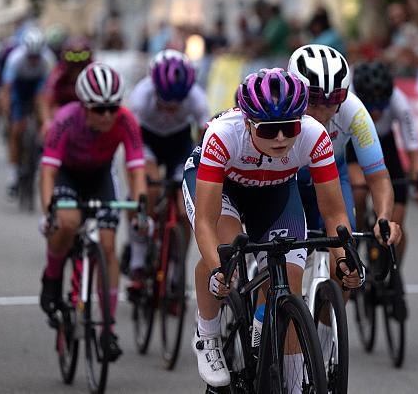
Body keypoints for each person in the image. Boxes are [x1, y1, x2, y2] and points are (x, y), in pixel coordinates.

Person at [183, 68, 375, 388]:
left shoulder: (314, 135)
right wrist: (220, 269)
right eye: (270, 131)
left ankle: (287, 369)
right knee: (226, 250)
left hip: (274, 193)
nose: (282, 138)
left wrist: (343, 258)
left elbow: (334, 211)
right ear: (247, 123)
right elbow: (205, 220)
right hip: (225, 192)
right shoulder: (222, 134)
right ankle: (208, 334)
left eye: (289, 128)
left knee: (289, 282)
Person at [38, 62, 148, 361]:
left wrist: (140, 209)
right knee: (67, 222)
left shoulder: (126, 121)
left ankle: (107, 329)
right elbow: (47, 173)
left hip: (100, 177)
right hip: (67, 176)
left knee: (109, 246)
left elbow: (136, 170)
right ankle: (51, 280)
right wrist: (50, 211)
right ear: (84, 107)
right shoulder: (64, 120)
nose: (108, 115)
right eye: (100, 109)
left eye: (113, 107)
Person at [287, 44, 403, 303]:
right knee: (285, 264)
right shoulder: (281, 107)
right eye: (313, 102)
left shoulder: (355, 111)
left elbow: (378, 176)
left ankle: (329, 335)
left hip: (331, 175)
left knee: (344, 264)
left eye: (331, 103)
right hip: (287, 178)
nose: (321, 113)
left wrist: (384, 217)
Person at [126, 49, 210, 290]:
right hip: (147, 141)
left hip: (179, 143)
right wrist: (137, 178)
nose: (172, 108)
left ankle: (177, 267)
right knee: (147, 191)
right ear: (155, 89)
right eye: (165, 102)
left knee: (186, 210)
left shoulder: (196, 97)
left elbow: (206, 135)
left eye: (177, 102)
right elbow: (130, 141)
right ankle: (139, 258)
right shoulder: (141, 97)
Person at [351, 61, 418, 263]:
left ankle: (394, 275)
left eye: (382, 105)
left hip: (385, 143)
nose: (376, 112)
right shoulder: (349, 97)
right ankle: (355, 236)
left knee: (397, 219)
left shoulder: (399, 100)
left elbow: (413, 151)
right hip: (354, 142)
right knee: (358, 191)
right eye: (371, 105)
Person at [1, 27, 56, 196]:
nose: (33, 60)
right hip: (19, 87)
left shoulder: (48, 59)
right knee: (16, 130)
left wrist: (48, 118)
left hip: (38, 86)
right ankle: (12, 175)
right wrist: (7, 111)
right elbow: (7, 89)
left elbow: (51, 90)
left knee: (42, 111)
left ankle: (40, 153)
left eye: (36, 56)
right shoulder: (15, 59)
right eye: (30, 57)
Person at [38, 36, 93, 135]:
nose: (77, 60)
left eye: (82, 56)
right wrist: (47, 122)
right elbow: (46, 99)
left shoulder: (94, 72)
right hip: (62, 113)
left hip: (90, 114)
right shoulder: (58, 73)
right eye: (72, 56)